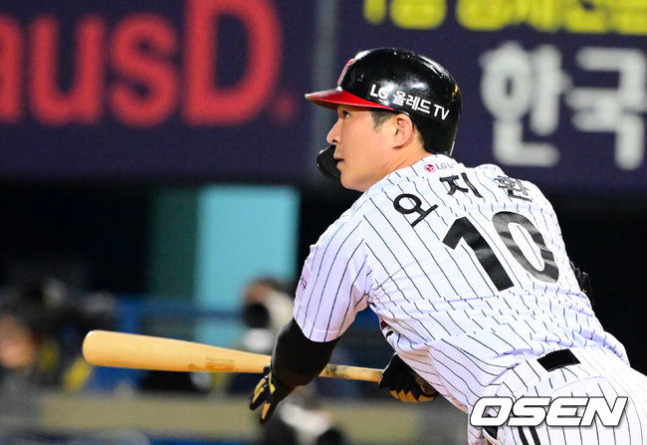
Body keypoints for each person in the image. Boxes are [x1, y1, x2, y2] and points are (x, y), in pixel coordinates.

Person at [248, 48, 647, 445]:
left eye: (347, 116)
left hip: (538, 409)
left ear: (399, 129)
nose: (333, 134)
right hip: (627, 392)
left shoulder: (359, 227)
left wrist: (281, 378)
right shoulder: (518, 191)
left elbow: (304, 352)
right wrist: (425, 362)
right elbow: (568, 292)